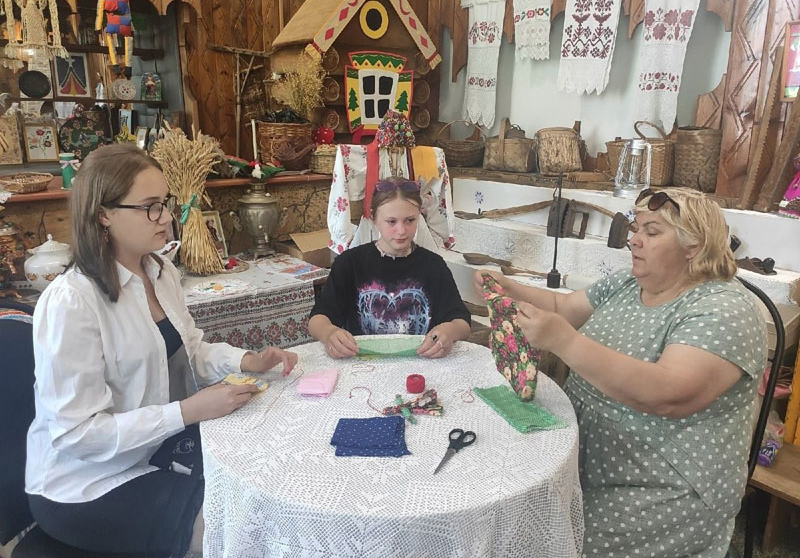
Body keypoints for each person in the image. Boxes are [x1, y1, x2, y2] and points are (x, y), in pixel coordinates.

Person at [26, 145, 298, 558]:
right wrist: (186, 412)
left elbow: (189, 350)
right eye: (150, 207)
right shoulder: (72, 302)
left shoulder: (160, 270)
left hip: (155, 448)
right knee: (235, 528)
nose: (168, 217)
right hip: (86, 483)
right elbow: (76, 434)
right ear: (103, 214)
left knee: (265, 478)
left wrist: (247, 361)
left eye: (165, 203)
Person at [474, 187, 766, 558]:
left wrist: (565, 342)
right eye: (636, 229)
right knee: (505, 506)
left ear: (693, 245)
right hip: (585, 454)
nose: (634, 241)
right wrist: (508, 287)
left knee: (543, 539)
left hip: (661, 482)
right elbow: (562, 309)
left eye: (652, 232)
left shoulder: (725, 309)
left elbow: (671, 394)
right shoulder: (630, 282)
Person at [310, 177, 471, 359]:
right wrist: (329, 333)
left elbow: (462, 322)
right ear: (374, 218)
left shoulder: (434, 265)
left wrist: (450, 330)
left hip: (421, 363)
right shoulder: (350, 263)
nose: (401, 230)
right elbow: (318, 319)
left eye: (410, 220)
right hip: (362, 364)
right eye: (391, 222)